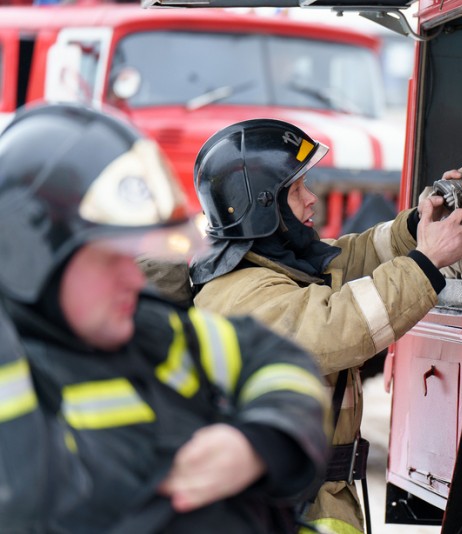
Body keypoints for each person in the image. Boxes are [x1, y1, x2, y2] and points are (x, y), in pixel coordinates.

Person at [0, 103, 330, 533]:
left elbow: (273, 356)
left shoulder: (147, 330)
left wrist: (258, 443)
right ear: (30, 258)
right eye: (111, 258)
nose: (134, 278)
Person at [184, 119, 462, 534]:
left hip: (306, 498)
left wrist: (420, 223)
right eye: (297, 190)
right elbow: (340, 325)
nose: (312, 200)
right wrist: (426, 261)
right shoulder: (241, 294)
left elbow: (353, 258)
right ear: (261, 204)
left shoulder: (275, 265)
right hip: (289, 509)